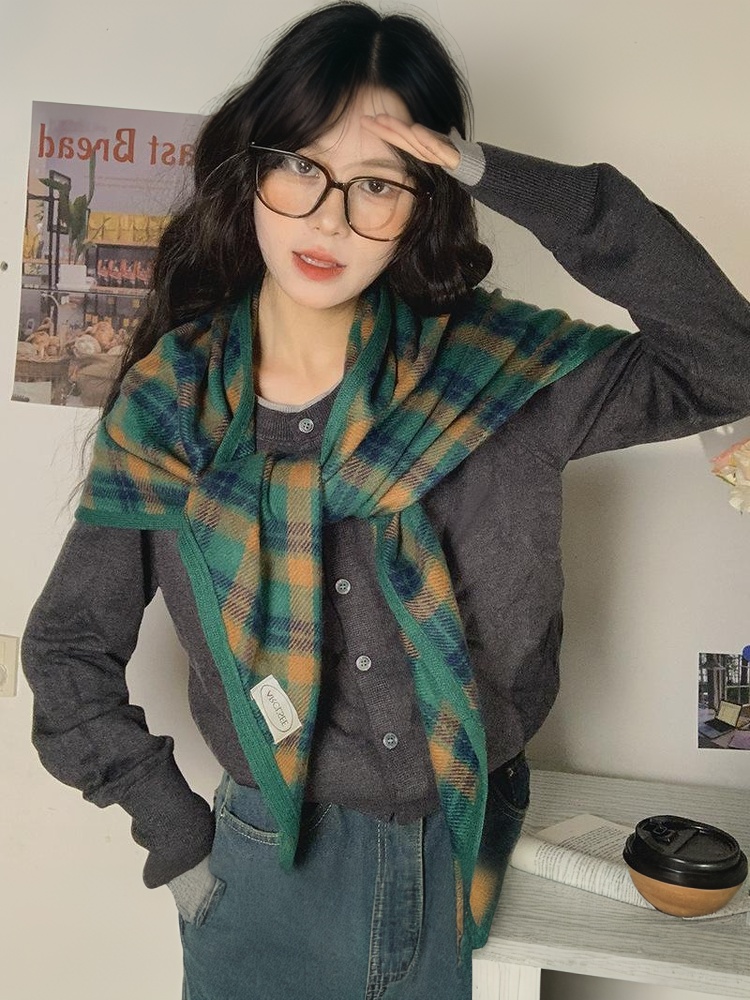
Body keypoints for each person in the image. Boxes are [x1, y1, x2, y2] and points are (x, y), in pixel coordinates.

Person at [20, 2, 750, 999]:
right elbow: (66, 647)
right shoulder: (171, 408)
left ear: (427, 197)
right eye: (301, 166)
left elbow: (727, 361)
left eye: (377, 183)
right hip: (264, 874)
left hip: (471, 850)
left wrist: (497, 172)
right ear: (251, 166)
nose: (329, 217)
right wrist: (175, 834)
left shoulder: (505, 379)